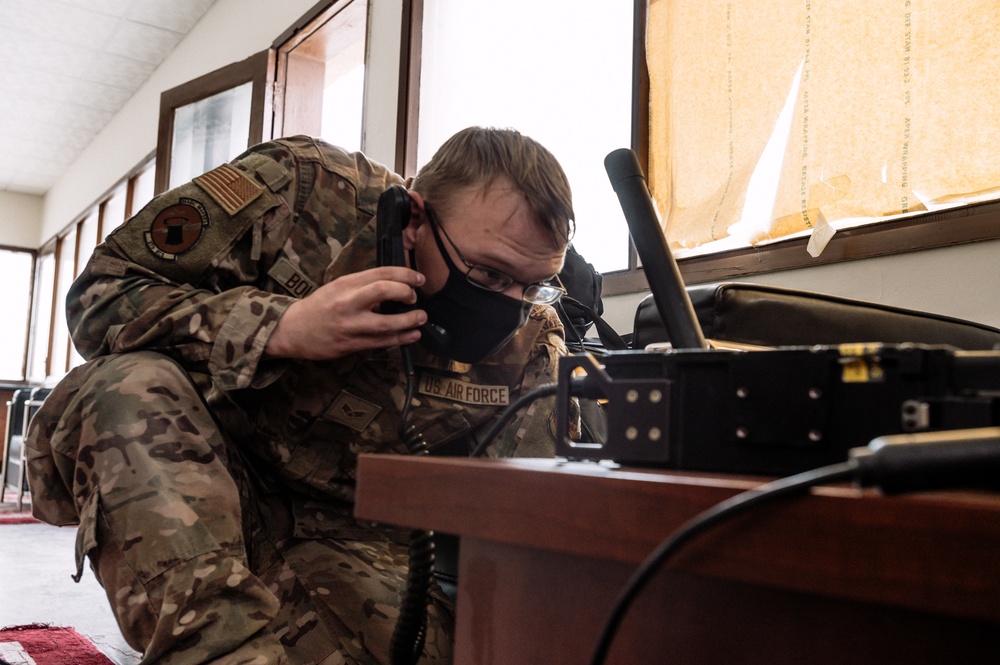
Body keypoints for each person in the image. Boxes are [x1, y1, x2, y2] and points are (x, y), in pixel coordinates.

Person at [25, 127, 576, 664]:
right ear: (413, 219)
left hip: (354, 540)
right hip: (200, 482)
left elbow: (537, 534)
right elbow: (101, 293)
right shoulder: (303, 192)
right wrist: (279, 327)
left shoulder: (533, 342)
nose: (510, 304)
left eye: (533, 286)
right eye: (487, 273)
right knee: (128, 384)